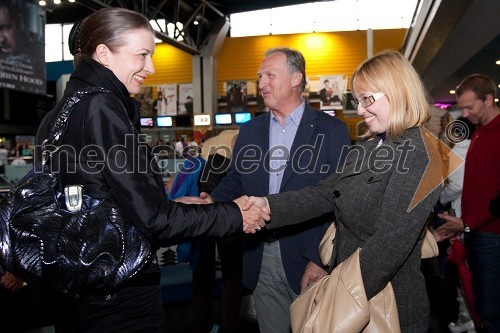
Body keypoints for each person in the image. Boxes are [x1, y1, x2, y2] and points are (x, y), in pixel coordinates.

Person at [33, 8, 268, 332]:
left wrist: (171, 206)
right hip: (118, 296)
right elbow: (153, 221)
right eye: (142, 55)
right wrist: (235, 216)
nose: (151, 67)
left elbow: (96, 204)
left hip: (78, 290)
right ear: (104, 53)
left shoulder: (57, 114)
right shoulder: (102, 107)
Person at [244, 50, 444, 332]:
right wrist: (265, 206)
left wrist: (336, 300)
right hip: (354, 297)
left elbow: (389, 245)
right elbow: (325, 193)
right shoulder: (367, 147)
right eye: (358, 101)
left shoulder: (423, 156)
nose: (360, 110)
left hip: (388, 310)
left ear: (397, 92)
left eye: (367, 100)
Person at [196, 48, 350, 333]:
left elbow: (341, 198)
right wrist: (213, 200)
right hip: (260, 253)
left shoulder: (332, 131)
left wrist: (321, 260)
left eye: (269, 75)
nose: (261, 83)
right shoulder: (251, 130)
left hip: (310, 255)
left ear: (296, 79)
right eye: (259, 77)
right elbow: (237, 179)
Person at [436, 74, 500, 333]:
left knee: (492, 313)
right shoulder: (479, 133)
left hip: (492, 238)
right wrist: (462, 226)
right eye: (461, 107)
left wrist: (467, 222)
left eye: (469, 106)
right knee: (483, 308)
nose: (464, 113)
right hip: (477, 233)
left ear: (488, 99)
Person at [191, 130, 243, 333]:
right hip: (228, 212)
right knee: (232, 276)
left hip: (205, 211)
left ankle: (200, 324)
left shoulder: (209, 146)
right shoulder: (241, 136)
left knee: (203, 274)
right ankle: (229, 326)